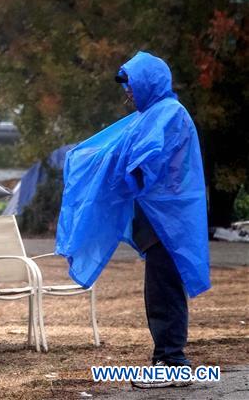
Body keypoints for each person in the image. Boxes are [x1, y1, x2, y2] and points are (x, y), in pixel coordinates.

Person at [57, 51, 210, 389]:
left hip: (167, 221)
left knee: (164, 292)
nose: (127, 92)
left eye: (131, 84)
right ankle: (167, 359)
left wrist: (113, 174)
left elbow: (143, 163)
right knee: (160, 290)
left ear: (148, 82)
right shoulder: (156, 114)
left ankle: (172, 364)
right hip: (161, 221)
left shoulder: (167, 114)